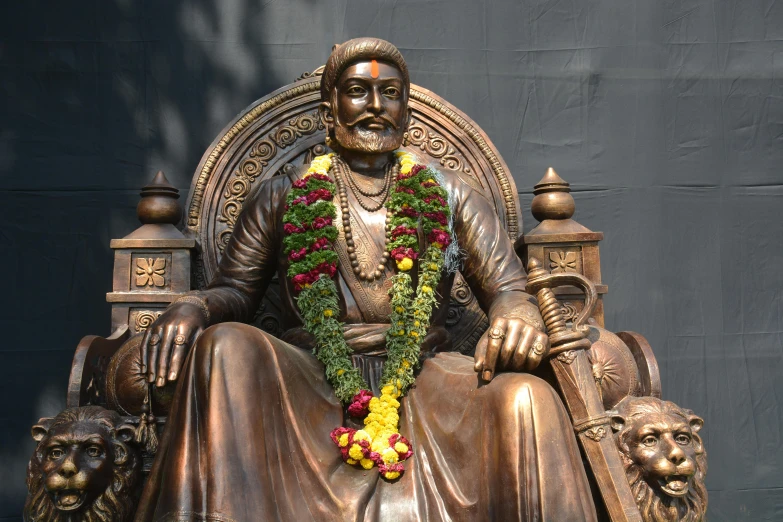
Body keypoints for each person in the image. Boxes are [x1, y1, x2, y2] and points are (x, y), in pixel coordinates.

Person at [135, 38, 597, 522]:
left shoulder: (448, 192)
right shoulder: (283, 192)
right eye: (357, 91)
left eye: (391, 93)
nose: (375, 106)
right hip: (310, 375)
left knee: (529, 398)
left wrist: (517, 313)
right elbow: (235, 290)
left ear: (406, 110)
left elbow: (508, 287)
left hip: (424, 373)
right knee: (225, 345)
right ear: (329, 107)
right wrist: (196, 307)